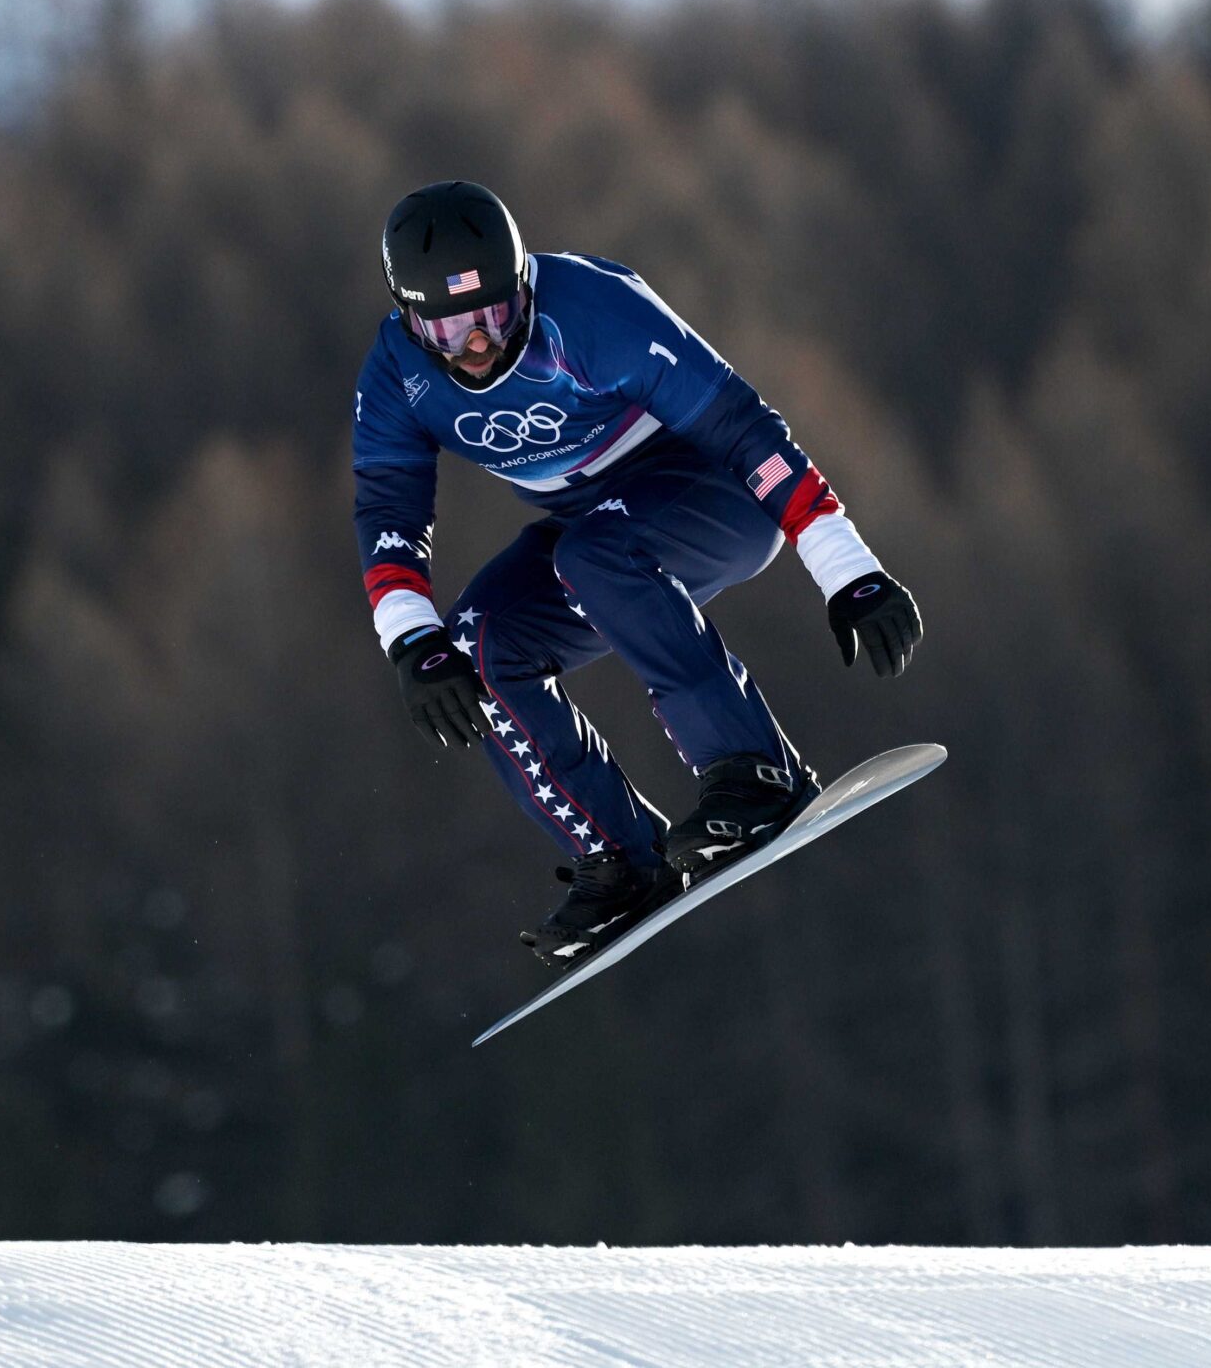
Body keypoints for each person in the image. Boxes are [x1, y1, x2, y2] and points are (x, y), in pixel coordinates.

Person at [353, 180, 923, 967]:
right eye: (450, 327)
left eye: (492, 315)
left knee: (591, 553)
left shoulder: (592, 313)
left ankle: (754, 770)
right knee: (479, 641)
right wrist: (410, 640)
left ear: (524, 285)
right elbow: (388, 508)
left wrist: (846, 568)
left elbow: (742, 427)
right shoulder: (396, 373)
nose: (477, 346)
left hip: (712, 494)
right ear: (409, 318)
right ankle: (620, 858)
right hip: (592, 526)